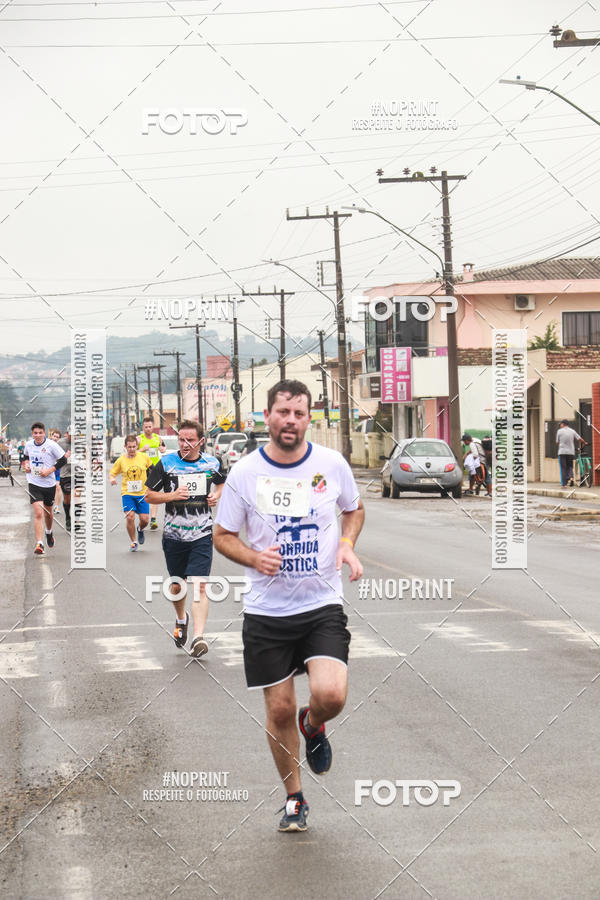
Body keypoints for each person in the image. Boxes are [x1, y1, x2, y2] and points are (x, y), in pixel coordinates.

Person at [213, 379, 364, 833]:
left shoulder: (331, 464)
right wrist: (254, 557)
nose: (291, 421)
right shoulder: (243, 473)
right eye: (283, 412)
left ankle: (313, 723)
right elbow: (222, 536)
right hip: (267, 612)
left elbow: (353, 509)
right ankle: (294, 798)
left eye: (299, 413)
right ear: (267, 416)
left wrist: (348, 543)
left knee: (332, 694)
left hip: (321, 603)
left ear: (308, 417)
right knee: (278, 710)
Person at [145, 420, 225, 657]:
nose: (185, 444)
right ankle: (181, 619)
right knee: (178, 585)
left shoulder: (212, 462)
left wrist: (215, 496)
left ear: (201, 441)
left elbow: (222, 483)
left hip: (202, 532)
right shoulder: (167, 463)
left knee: (200, 585)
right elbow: (149, 496)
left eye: (190, 440)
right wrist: (171, 495)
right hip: (174, 535)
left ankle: (199, 637)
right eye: (181, 439)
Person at [22, 422, 68, 555]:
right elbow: (25, 456)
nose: (37, 435)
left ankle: (48, 532)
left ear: (44, 433)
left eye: (40, 433)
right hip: (34, 482)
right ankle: (39, 543)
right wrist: (26, 465)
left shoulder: (51, 445)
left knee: (48, 513)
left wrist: (49, 470)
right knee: (38, 513)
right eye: (35, 433)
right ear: (32, 434)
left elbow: (63, 460)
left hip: (49, 484)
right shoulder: (29, 445)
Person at [110, 434, 152, 551]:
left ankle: (140, 529)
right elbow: (112, 473)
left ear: (137, 446)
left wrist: (153, 484)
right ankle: (133, 542)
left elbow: (152, 469)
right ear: (125, 447)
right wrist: (112, 479)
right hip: (127, 493)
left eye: (134, 447)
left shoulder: (144, 457)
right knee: (130, 517)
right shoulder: (121, 460)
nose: (132, 449)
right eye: (129, 447)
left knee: (145, 520)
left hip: (142, 493)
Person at [137, 416, 166, 529]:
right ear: (143, 427)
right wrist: (142, 449)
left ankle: (153, 519)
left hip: (155, 469)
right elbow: (131, 452)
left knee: (153, 494)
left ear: (153, 427)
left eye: (150, 426)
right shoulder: (139, 439)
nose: (148, 429)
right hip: (142, 469)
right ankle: (144, 516)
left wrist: (162, 449)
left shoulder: (157, 438)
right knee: (143, 494)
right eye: (146, 427)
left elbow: (163, 447)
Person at [556, 420, 587, 487]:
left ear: (563, 424)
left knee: (563, 468)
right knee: (570, 466)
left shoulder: (559, 431)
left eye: (561, 424)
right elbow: (579, 438)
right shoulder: (572, 431)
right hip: (570, 452)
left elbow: (557, 442)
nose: (560, 425)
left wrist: (561, 444)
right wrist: (584, 443)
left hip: (562, 452)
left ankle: (564, 484)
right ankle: (571, 477)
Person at [56, 427, 72, 531]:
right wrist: (64, 457)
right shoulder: (60, 443)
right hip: (65, 474)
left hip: (78, 473)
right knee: (67, 498)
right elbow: (55, 457)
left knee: (79, 496)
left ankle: (78, 519)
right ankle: (68, 517)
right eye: (72, 435)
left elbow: (87, 453)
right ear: (67, 434)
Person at [50, 429, 63, 513]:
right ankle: (48, 505)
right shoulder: (47, 444)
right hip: (48, 469)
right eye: (54, 436)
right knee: (50, 489)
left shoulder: (60, 446)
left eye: (57, 437)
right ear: (51, 436)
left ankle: (56, 506)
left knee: (58, 487)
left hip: (57, 469)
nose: (55, 438)